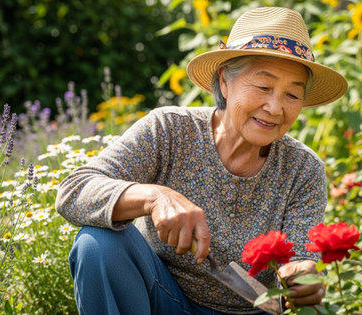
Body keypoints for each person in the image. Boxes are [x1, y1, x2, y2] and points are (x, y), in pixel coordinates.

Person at [56, 6, 347, 315]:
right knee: (99, 243)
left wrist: (305, 279)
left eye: (292, 95)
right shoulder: (169, 130)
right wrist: (155, 197)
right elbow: (73, 190)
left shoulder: (302, 169)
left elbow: (303, 261)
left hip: (254, 310)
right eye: (263, 86)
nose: (275, 108)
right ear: (224, 81)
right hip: (163, 300)